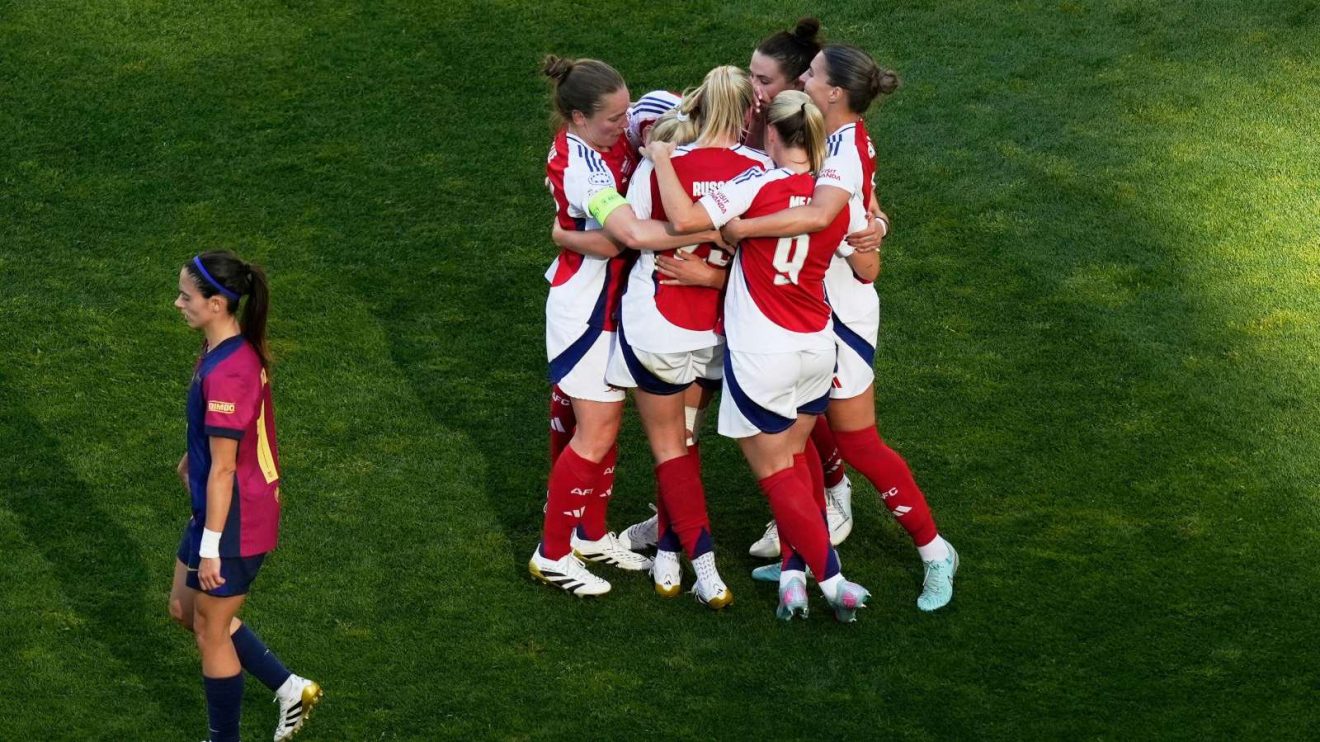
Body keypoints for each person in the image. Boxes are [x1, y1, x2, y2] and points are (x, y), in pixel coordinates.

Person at [722, 45, 959, 612]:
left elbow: (827, 218)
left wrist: (742, 227)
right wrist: (876, 220)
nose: (802, 76)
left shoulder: (843, 155)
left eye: (812, 74)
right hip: (809, 310)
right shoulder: (836, 140)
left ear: (833, 93)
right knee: (799, 434)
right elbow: (867, 210)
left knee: (856, 440)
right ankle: (800, 559)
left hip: (840, 314)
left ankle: (934, 551)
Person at [647, 90, 872, 622]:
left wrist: (660, 156)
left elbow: (682, 218)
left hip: (763, 351)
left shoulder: (754, 183)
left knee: (775, 470)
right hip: (818, 345)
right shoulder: (837, 191)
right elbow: (867, 264)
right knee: (794, 461)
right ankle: (792, 579)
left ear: (771, 135)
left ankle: (831, 577)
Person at [532, 55, 726, 596]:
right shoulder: (579, 166)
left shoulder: (627, 119)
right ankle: (551, 554)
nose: (627, 126)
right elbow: (629, 236)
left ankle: (590, 536)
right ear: (576, 119)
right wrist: (711, 226)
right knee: (595, 433)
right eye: (613, 121)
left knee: (608, 427)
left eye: (626, 110)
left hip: (617, 306)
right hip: (587, 312)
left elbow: (684, 109)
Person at [603, 65, 774, 608]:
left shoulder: (663, 167)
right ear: (750, 113)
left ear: (697, 108)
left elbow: (632, 234)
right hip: (719, 332)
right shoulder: (762, 169)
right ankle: (670, 556)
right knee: (688, 440)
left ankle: (702, 565)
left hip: (658, 327)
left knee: (669, 450)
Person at [169, 251, 321, 742]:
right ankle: (289, 686)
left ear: (216, 304)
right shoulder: (223, 352)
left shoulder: (229, 370)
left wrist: (212, 546)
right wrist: (192, 459)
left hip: (234, 521)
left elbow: (227, 467)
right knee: (184, 610)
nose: (178, 304)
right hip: (215, 510)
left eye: (186, 297)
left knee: (211, 632)